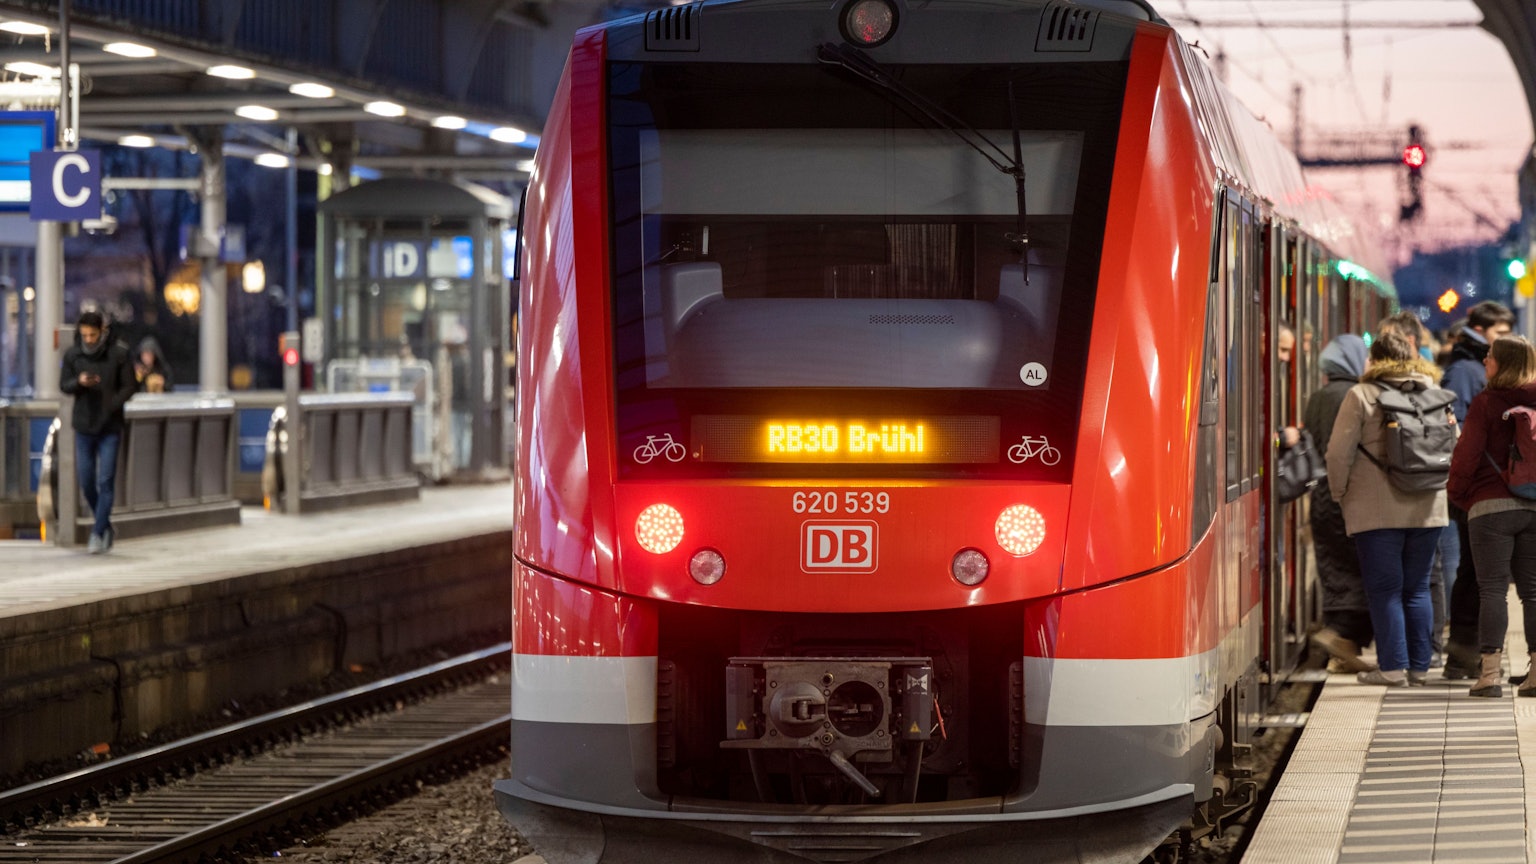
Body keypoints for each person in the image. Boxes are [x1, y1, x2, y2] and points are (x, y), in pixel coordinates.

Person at [1324, 330, 1449, 687]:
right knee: (1419, 587)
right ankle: (1420, 667)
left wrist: (1340, 492)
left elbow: (1338, 453)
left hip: (1375, 509)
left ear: (1375, 360)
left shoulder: (1361, 394)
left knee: (1385, 589)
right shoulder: (1435, 393)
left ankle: (1392, 668)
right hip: (1428, 505)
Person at [1447, 336, 1536, 697]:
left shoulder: (1485, 403)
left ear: (1504, 363)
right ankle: (1535, 676)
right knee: (1533, 592)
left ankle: (1489, 677)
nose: (1485, 360)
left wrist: (1459, 496)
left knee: (1493, 590)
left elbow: (1465, 456)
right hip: (1533, 505)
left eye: (1491, 356)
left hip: (1490, 507)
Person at [1441, 300, 1517, 679]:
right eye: (1501, 334)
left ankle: (1471, 657)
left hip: (1486, 491)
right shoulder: (1467, 372)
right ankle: (1466, 656)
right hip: (1482, 492)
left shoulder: (1473, 371)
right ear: (1483, 331)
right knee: (1478, 575)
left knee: (1483, 575)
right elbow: (1460, 437)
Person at [1305, 334, 1375, 672]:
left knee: (1332, 563)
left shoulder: (1318, 397)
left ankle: (1343, 642)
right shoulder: (1354, 395)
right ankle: (1344, 635)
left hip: (1321, 496)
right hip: (1348, 492)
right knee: (1359, 563)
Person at [59, 310, 137, 554]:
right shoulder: (73, 355)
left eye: (93, 334)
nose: (89, 339)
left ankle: (96, 532)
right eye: (85, 335)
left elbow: (130, 386)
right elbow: (64, 385)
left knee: (106, 480)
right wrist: (79, 383)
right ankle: (105, 527)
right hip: (83, 425)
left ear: (102, 331)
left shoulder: (119, 354)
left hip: (110, 426)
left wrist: (111, 404)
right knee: (87, 481)